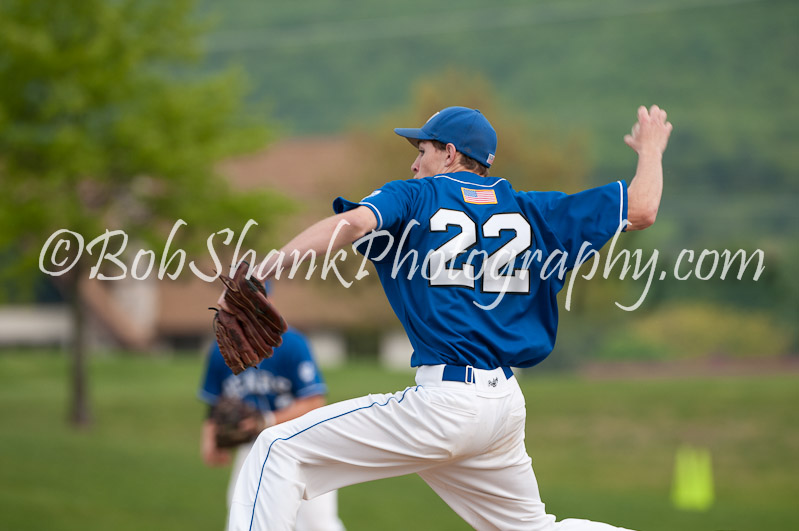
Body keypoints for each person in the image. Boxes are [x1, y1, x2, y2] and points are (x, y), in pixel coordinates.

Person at [225, 105, 672, 530]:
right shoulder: (535, 211)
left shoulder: (417, 196)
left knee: (275, 450)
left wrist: (266, 269)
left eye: (422, 150)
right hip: (503, 406)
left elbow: (354, 224)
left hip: (446, 405)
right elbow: (643, 207)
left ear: (450, 154)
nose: (415, 163)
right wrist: (650, 151)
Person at [199, 318, 346, 531]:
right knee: (243, 520)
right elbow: (214, 403)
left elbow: (314, 402)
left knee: (317, 525)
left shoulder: (292, 343)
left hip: (305, 445)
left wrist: (267, 421)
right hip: (254, 447)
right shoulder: (221, 348)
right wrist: (210, 439)